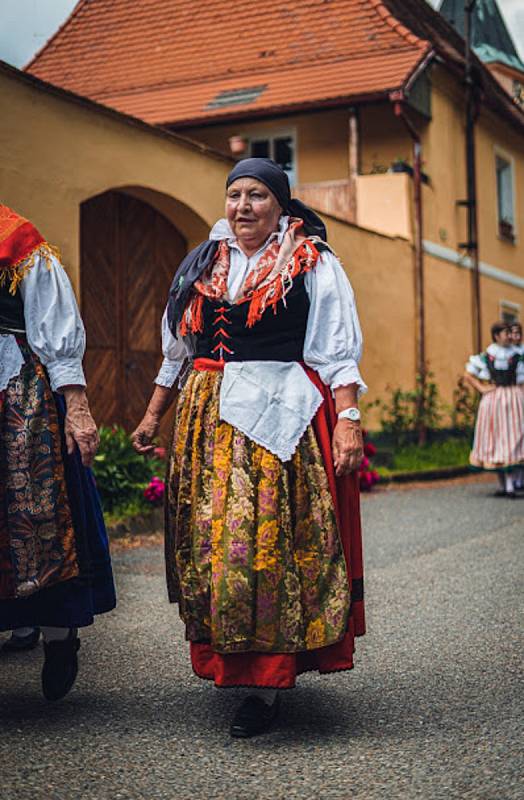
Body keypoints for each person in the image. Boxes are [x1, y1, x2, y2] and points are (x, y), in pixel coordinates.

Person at [132, 158, 366, 738]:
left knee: (263, 548)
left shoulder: (311, 261)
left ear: (280, 204)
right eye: (234, 194)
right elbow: (179, 349)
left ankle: (266, 682)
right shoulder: (202, 262)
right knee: (214, 546)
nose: (243, 206)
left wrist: (348, 420)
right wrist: (153, 414)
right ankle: (231, 660)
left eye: (257, 195)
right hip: (207, 421)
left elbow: (336, 350)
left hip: (276, 419)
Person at [0, 204, 116, 699]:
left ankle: (58, 634)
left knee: (38, 514)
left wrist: (77, 406)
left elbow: (57, 326)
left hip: (17, 395)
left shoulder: (18, 239)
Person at [464, 321, 524, 497]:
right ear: (497, 336)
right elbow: (468, 375)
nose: (509, 336)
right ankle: (504, 484)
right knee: (496, 437)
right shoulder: (487, 356)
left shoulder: (517, 355)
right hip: (494, 401)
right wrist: (482, 388)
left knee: (513, 436)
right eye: (505, 333)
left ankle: (512, 485)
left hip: (513, 399)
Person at [509, 321, 524, 490]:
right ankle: (513, 478)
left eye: (517, 333)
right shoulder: (505, 354)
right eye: (512, 333)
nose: (515, 337)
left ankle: (520, 477)